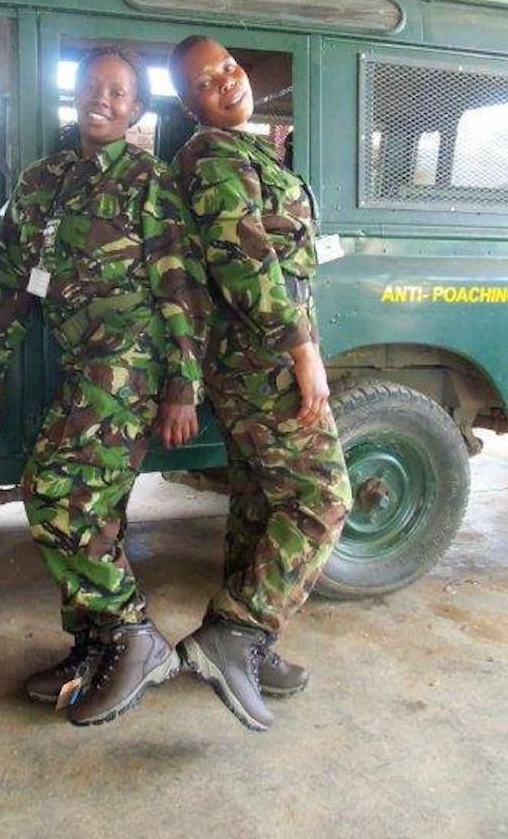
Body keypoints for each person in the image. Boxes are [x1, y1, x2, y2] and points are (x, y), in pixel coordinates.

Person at [0, 45, 209, 727]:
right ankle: (94, 649)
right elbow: (8, 281)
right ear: (74, 96)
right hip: (78, 365)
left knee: (52, 492)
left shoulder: (147, 179)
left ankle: (134, 635)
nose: (101, 99)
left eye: (118, 92)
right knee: (97, 510)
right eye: (91, 87)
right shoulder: (43, 180)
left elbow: (178, 288)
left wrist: (181, 387)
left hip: (129, 363)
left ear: (136, 109)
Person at [169, 36, 352, 732]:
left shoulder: (244, 149)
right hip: (262, 358)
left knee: (260, 501)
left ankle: (253, 645)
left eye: (228, 67)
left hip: (260, 354)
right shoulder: (211, 159)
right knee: (322, 498)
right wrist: (302, 351)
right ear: (190, 104)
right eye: (205, 81)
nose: (225, 81)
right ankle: (235, 632)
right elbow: (250, 269)